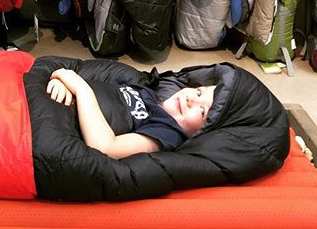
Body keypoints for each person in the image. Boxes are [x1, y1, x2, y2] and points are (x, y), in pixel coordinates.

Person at [46, 68, 216, 160]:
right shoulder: (149, 93)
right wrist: (65, 85)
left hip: (59, 126)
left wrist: (79, 88)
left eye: (202, 111)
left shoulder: (168, 132)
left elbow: (106, 148)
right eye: (199, 92)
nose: (191, 99)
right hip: (60, 99)